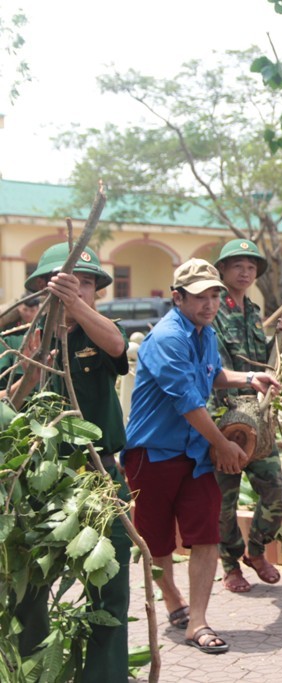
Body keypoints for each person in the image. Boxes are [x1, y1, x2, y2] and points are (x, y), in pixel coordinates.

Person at [122, 258, 280, 655]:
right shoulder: (167, 338)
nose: (209, 304)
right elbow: (189, 403)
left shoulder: (204, 333)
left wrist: (249, 377)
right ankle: (172, 598)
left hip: (194, 453)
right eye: (199, 297)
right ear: (178, 298)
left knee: (207, 534)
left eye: (214, 296)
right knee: (158, 543)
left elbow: (211, 375)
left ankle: (198, 622)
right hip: (152, 454)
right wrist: (223, 445)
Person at [5, 244, 133, 682]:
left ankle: (104, 676)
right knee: (29, 590)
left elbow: (117, 346)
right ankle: (37, 674)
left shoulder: (101, 331)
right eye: (63, 283)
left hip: (98, 475)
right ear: (41, 289)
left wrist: (74, 303)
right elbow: (7, 409)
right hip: (36, 480)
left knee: (109, 588)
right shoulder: (17, 342)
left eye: (86, 283)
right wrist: (31, 372)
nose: (77, 290)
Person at [211, 239, 282, 593]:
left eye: (251, 267)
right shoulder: (213, 309)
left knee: (275, 487)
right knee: (224, 499)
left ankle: (256, 551)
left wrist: (279, 339)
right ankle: (230, 566)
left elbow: (263, 361)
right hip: (225, 416)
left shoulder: (253, 311)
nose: (245, 273)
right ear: (223, 270)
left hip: (259, 416)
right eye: (237, 266)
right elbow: (215, 368)